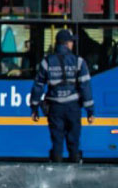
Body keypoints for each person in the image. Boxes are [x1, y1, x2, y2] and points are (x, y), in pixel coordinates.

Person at [30, 29, 95, 162]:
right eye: (71, 41)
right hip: (73, 107)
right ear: (66, 43)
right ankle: (75, 171)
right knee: (74, 141)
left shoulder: (46, 62)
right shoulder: (79, 62)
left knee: (57, 141)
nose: (72, 44)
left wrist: (34, 107)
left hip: (55, 108)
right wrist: (90, 111)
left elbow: (38, 86)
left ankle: (56, 169)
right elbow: (85, 87)